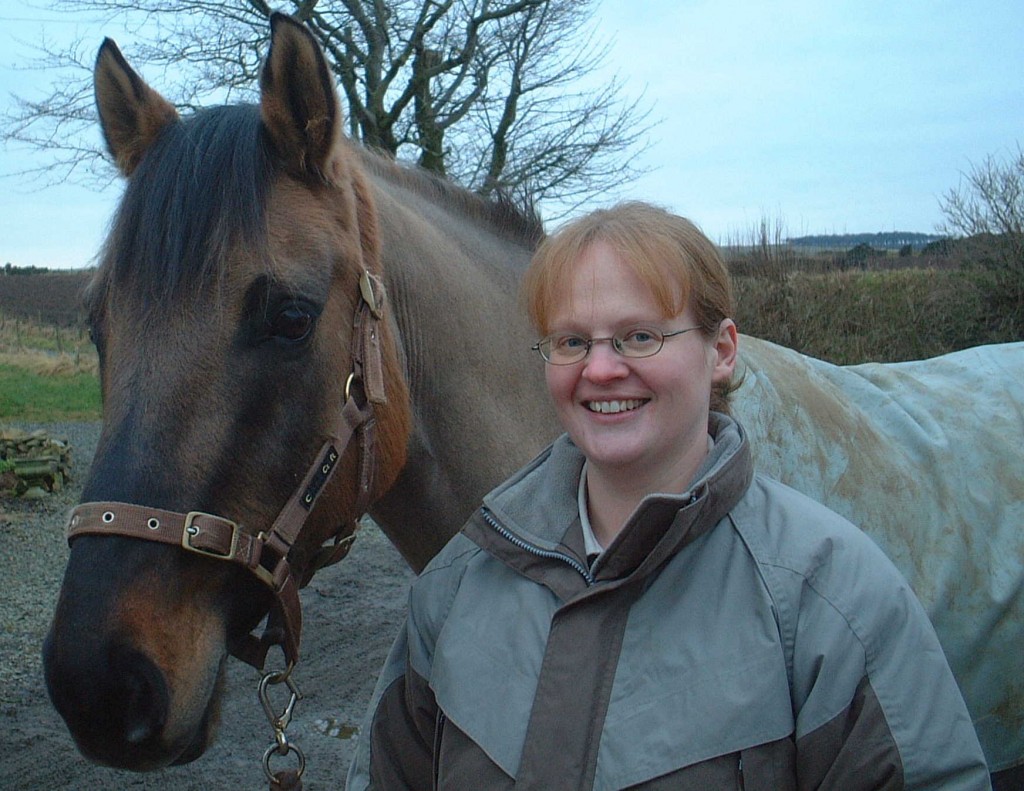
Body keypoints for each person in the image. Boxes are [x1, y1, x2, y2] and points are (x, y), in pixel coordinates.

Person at [347, 202, 990, 789]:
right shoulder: (457, 587)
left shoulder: (832, 599)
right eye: (572, 341)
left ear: (722, 353)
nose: (600, 370)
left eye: (640, 336)